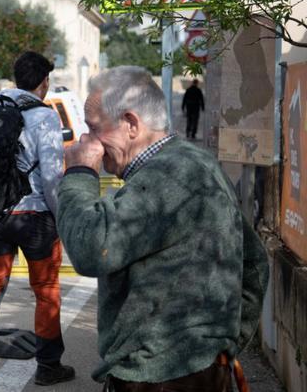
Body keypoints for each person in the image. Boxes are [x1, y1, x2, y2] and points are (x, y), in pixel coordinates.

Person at [58, 66, 268, 391]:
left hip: (159, 378)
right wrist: (219, 345)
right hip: (198, 368)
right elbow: (254, 263)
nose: (86, 139)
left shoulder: (166, 176)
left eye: (94, 128)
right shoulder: (196, 161)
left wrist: (79, 173)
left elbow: (91, 249)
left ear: (130, 124)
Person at [0, 51, 75, 386]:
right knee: (45, 288)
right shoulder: (45, 117)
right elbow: (54, 176)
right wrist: (62, 218)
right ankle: (49, 365)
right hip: (35, 218)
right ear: (44, 82)